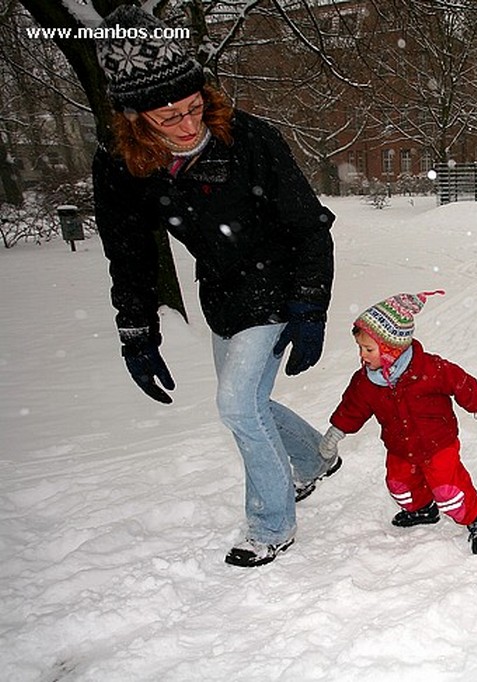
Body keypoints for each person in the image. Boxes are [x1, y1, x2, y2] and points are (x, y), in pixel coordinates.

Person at [91, 5, 339, 568]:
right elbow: (128, 255)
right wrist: (136, 332)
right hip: (222, 295)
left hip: (277, 283)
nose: (186, 125)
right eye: (167, 116)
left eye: (193, 107)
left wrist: (310, 306)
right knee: (248, 400)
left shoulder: (249, 139)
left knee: (235, 405)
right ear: (135, 120)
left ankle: (271, 525)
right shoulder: (121, 165)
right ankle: (313, 463)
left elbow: (309, 226)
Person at [318, 291, 477, 554]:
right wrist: (336, 431)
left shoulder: (429, 369)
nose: (363, 355)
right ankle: (423, 509)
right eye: (360, 348)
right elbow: (352, 408)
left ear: (392, 349)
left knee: (449, 491)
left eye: (369, 349)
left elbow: (460, 382)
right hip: (400, 446)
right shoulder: (367, 381)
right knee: (400, 485)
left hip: (438, 445)